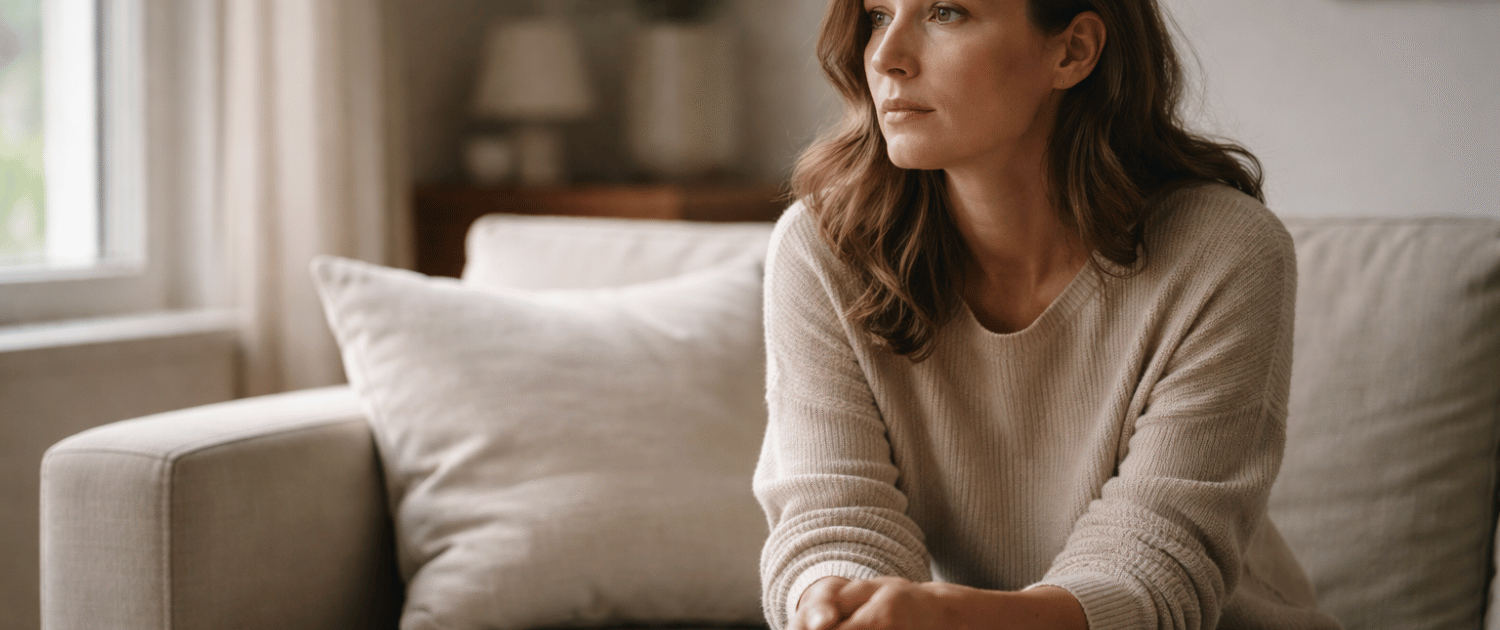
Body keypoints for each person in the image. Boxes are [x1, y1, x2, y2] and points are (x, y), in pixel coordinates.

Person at [753, 1, 1344, 629]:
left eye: (945, 12)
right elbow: (834, 519)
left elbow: (1155, 566)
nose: (883, 56)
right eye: (876, 14)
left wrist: (953, 619)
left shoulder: (1223, 251)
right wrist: (831, 605)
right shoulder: (827, 246)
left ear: (1072, 52)